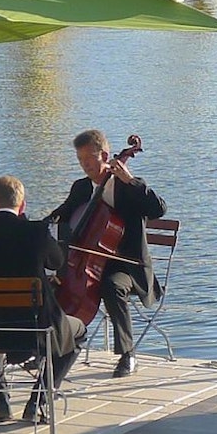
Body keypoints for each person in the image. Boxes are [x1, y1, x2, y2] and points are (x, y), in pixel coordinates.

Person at [0, 175, 86, 423]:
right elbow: (57, 262)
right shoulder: (36, 232)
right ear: (22, 205)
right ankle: (37, 403)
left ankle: (2, 403)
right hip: (34, 331)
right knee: (77, 331)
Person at [45, 129, 166, 379]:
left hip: (127, 266)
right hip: (87, 264)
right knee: (50, 284)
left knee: (112, 286)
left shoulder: (127, 186)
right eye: (80, 159)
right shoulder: (81, 188)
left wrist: (130, 180)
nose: (84, 164)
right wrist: (35, 227)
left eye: (88, 158)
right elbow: (61, 215)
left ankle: (127, 354)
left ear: (104, 155)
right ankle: (48, 348)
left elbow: (159, 209)